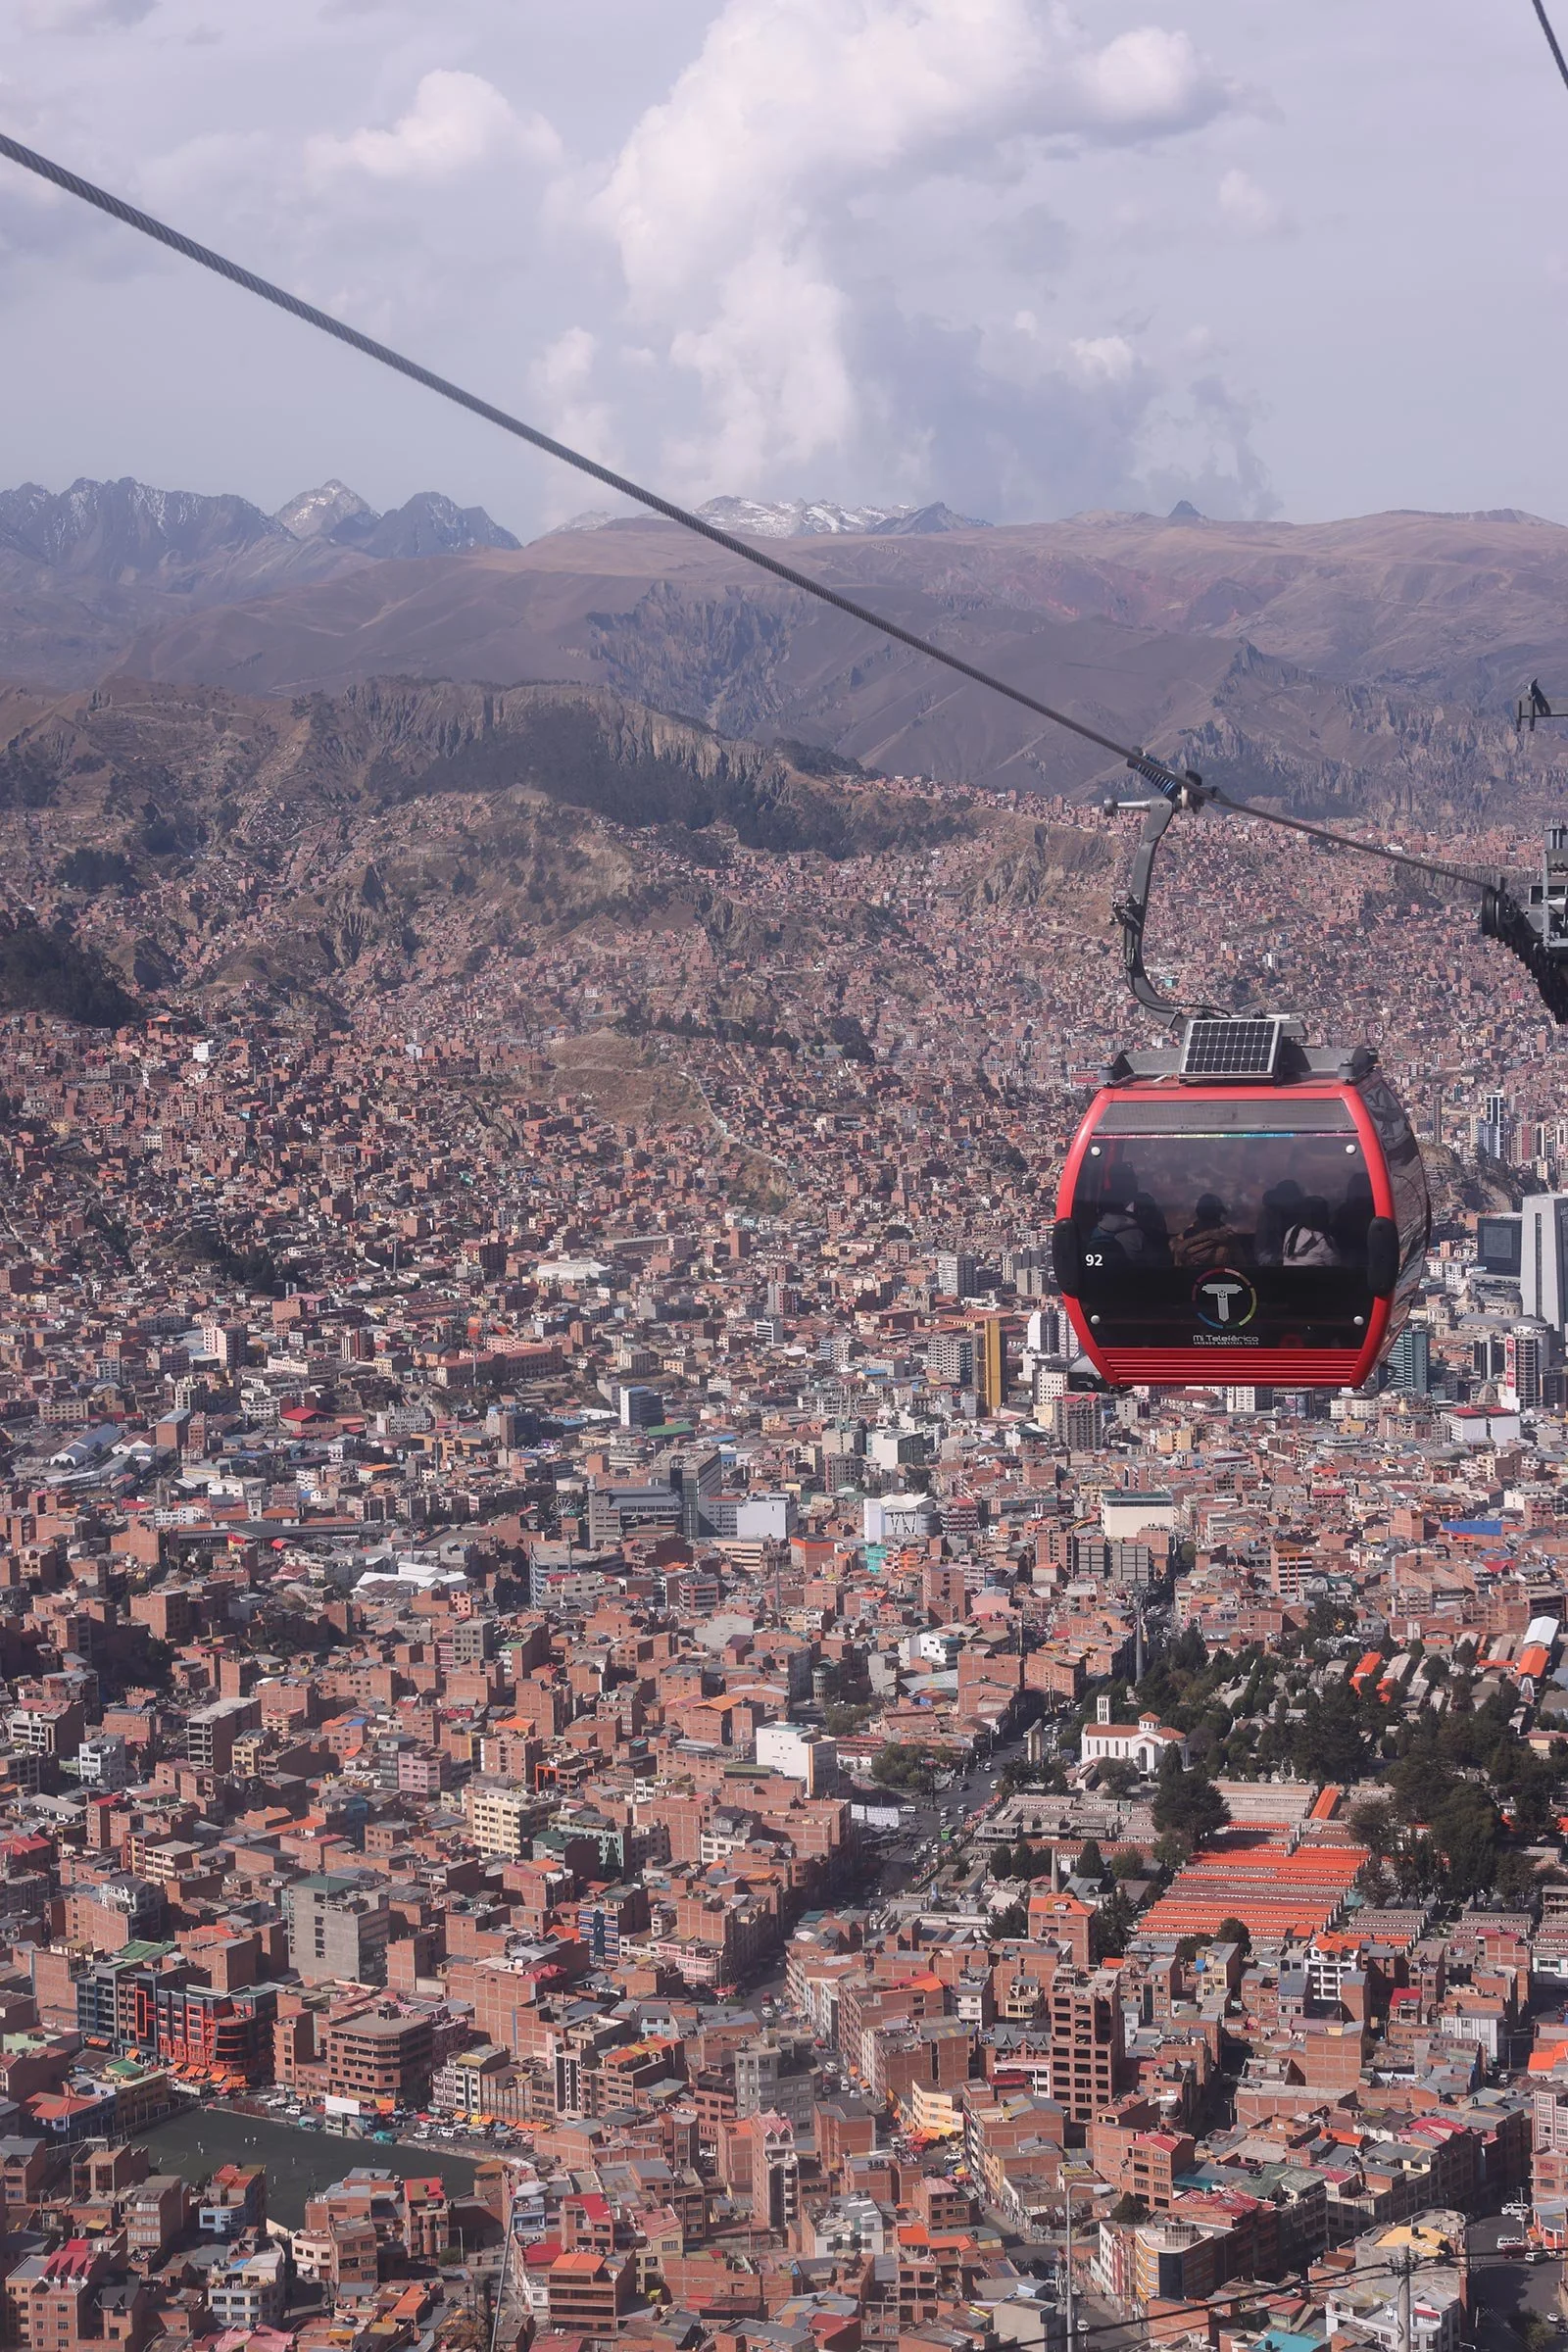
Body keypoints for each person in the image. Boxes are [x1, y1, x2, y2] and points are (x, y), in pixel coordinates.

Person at [1173, 1192, 1251, 1270]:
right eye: (1219, 1215)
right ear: (1217, 1215)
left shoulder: (1184, 1238)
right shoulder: (1228, 1237)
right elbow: (1242, 1266)